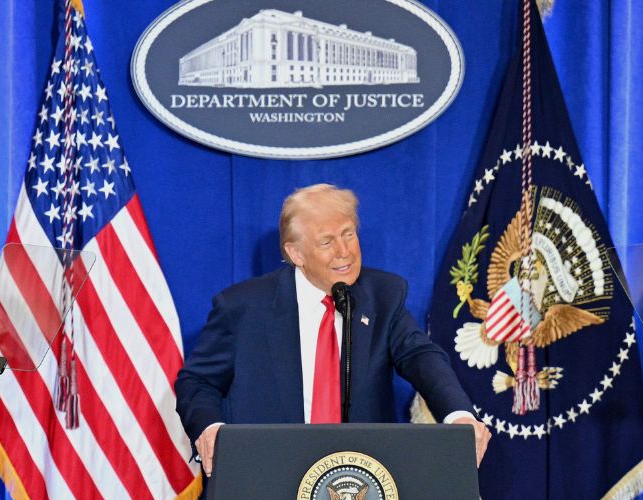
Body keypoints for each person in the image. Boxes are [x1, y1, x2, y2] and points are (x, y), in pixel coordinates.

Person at [175, 184, 490, 475]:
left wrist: (459, 416)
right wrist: (211, 428)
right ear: (296, 254)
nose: (345, 251)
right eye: (327, 241)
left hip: (360, 486)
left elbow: (422, 357)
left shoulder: (382, 295)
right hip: (270, 477)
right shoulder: (242, 308)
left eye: (349, 234)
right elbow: (197, 381)